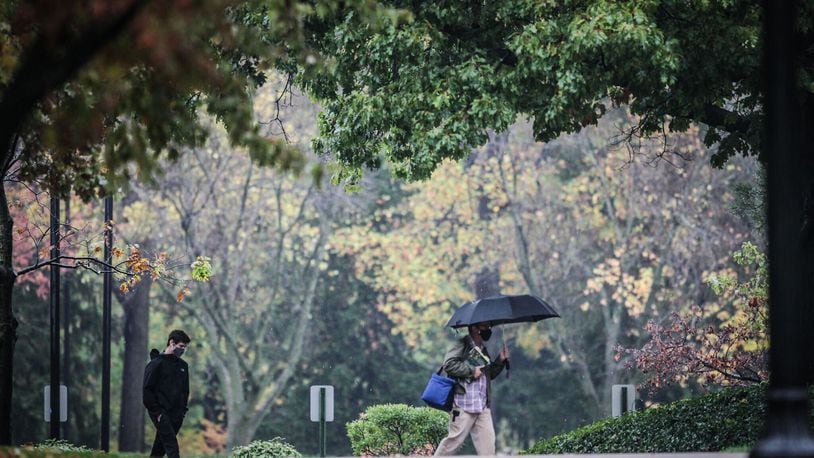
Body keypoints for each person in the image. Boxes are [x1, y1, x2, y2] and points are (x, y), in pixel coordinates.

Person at [434, 321, 509, 456]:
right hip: (464, 405)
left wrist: (500, 360)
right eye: (485, 326)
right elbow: (448, 365)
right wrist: (471, 370)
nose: (488, 329)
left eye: (488, 327)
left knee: (488, 449)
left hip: (481, 406)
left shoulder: (482, 349)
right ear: (474, 328)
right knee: (452, 443)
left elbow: (488, 375)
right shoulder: (462, 345)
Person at [143, 329, 191, 458]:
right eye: (181, 346)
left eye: (185, 348)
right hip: (161, 413)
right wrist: (157, 412)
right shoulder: (156, 364)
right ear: (172, 343)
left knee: (159, 450)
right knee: (172, 447)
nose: (183, 350)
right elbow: (147, 390)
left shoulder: (183, 366)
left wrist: (182, 412)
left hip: (177, 415)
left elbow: (185, 390)